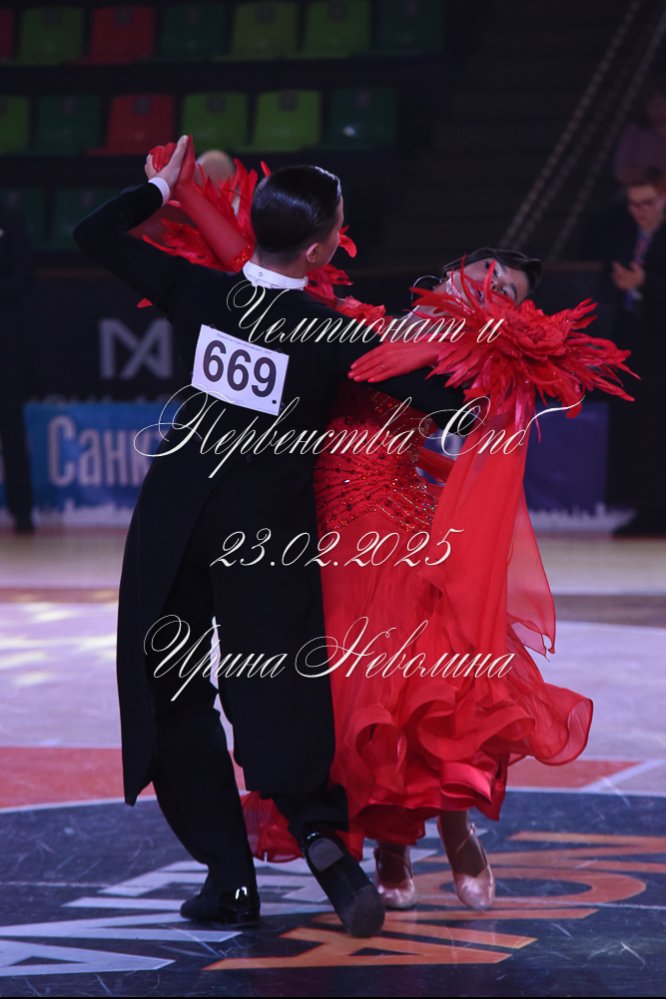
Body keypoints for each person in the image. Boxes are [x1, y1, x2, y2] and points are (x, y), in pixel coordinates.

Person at [149, 148, 630, 913]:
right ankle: (389, 840)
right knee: (347, 707)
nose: (496, 292)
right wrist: (190, 194)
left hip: (400, 533)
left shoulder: (458, 365)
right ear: (454, 274)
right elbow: (257, 269)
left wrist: (500, 361)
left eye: (512, 296)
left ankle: (455, 828)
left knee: (433, 690)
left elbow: (478, 417)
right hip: (318, 533)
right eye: (490, 277)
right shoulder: (356, 321)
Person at [72, 136, 468, 938]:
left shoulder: (201, 291)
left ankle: (229, 876)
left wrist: (160, 190)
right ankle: (323, 839)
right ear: (321, 248)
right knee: (278, 688)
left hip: (176, 517)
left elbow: (93, 234)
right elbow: (454, 405)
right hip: (265, 535)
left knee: (173, 686)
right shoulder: (335, 335)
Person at [596, 165, 666, 535]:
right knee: (635, 430)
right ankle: (643, 507)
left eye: (648, 203)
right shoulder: (623, 237)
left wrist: (645, 284)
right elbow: (604, 286)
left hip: (661, 347)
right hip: (632, 349)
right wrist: (623, 286)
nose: (642, 211)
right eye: (635, 204)